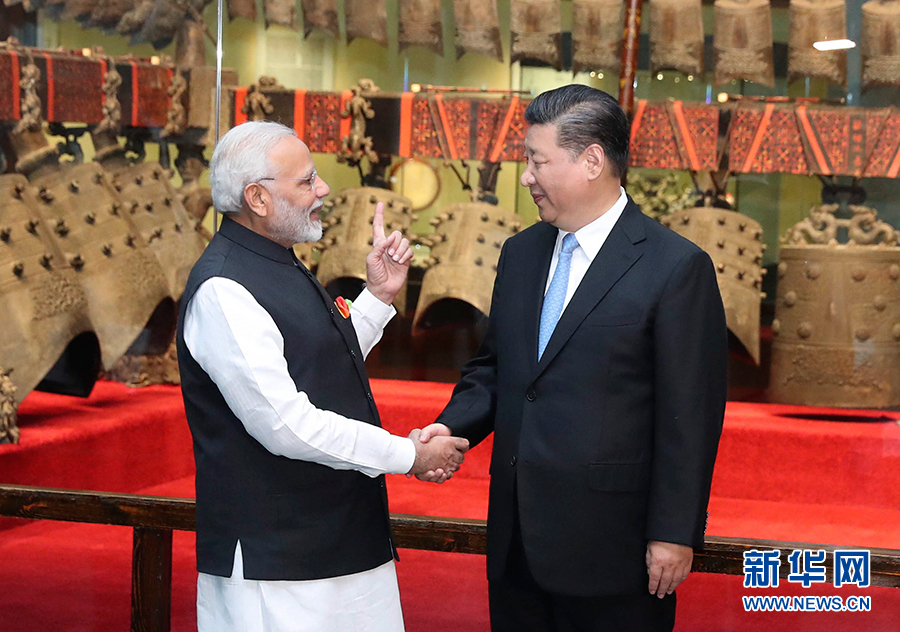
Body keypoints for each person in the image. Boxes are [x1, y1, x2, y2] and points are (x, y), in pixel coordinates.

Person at [417, 85, 728, 631]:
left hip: (613, 549)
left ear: (591, 161)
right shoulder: (521, 253)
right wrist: (452, 425)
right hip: (516, 541)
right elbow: (496, 370)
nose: (526, 177)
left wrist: (674, 532)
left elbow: (690, 416)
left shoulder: (675, 267)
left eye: (538, 161)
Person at [175, 120, 469, 632]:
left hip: (339, 540)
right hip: (279, 563)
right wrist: (408, 455)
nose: (324, 189)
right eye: (307, 180)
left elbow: (321, 359)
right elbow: (287, 425)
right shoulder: (224, 287)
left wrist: (377, 297)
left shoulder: (276, 261)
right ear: (258, 198)